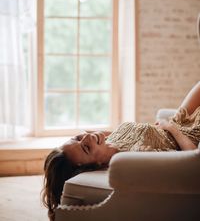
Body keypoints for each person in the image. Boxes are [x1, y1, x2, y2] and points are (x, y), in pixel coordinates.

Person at [42, 81, 200, 221]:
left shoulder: (106, 141)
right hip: (192, 134)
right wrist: (170, 128)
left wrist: (161, 128)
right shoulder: (130, 159)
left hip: (180, 119)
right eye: (86, 147)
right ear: (94, 165)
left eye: (78, 138)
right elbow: (192, 159)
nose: (87, 138)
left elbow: (140, 133)